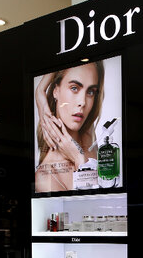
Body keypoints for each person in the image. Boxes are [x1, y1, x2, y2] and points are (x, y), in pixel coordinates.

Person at [34, 61, 105, 192]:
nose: (82, 102)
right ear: (56, 90)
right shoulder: (45, 179)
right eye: (74, 88)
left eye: (90, 92)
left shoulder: (88, 134)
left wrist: (40, 90)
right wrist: (79, 159)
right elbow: (93, 203)